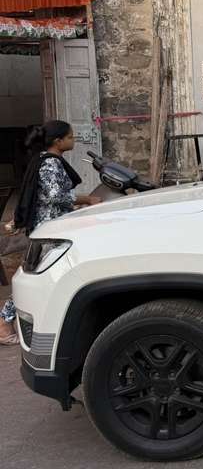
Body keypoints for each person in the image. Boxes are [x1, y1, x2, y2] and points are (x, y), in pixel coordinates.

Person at [2, 121, 101, 345]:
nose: (73, 140)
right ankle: (4, 322)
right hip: (49, 230)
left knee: (39, 274)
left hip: (51, 226)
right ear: (58, 141)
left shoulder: (46, 161)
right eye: (70, 137)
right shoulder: (50, 164)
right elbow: (54, 196)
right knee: (34, 275)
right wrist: (86, 199)